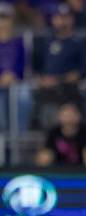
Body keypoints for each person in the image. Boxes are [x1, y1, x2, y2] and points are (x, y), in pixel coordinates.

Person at [36, 101, 86, 167]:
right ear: (59, 116)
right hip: (57, 171)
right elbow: (43, 160)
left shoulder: (85, 133)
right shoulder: (53, 132)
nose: (69, 118)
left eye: (72, 114)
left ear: (79, 116)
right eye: (66, 115)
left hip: (80, 172)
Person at [0, 2, 31, 133]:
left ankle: (20, 136)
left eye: (5, 17)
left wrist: (13, 76)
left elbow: (23, 64)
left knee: (23, 94)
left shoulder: (19, 41)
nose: (2, 22)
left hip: (16, 82)